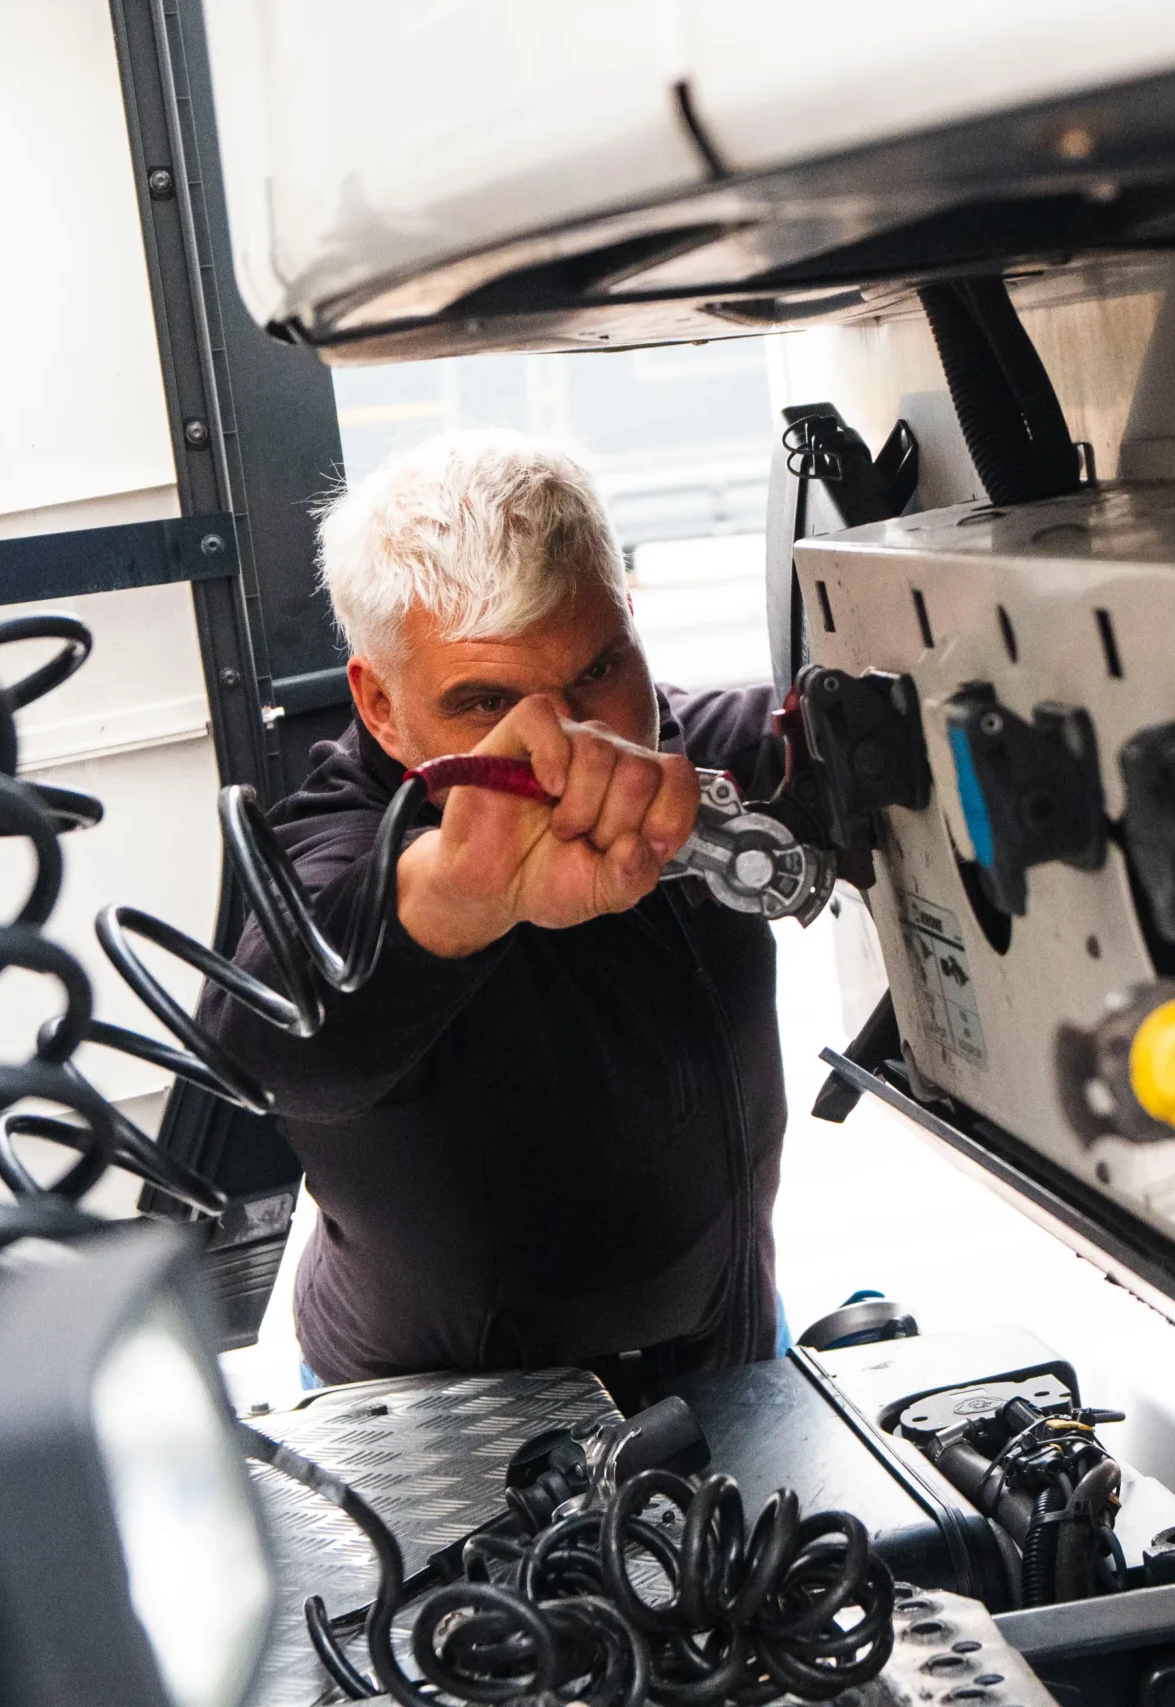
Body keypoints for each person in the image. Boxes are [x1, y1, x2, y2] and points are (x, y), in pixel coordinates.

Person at [204, 429, 788, 1388]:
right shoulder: (338, 840)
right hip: (432, 1419)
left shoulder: (679, 756)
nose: (569, 747)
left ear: (629, 617)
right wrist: (458, 893)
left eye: (597, 671)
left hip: (732, 1361)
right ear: (380, 704)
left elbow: (840, 746)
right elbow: (271, 1032)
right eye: (484, 703)